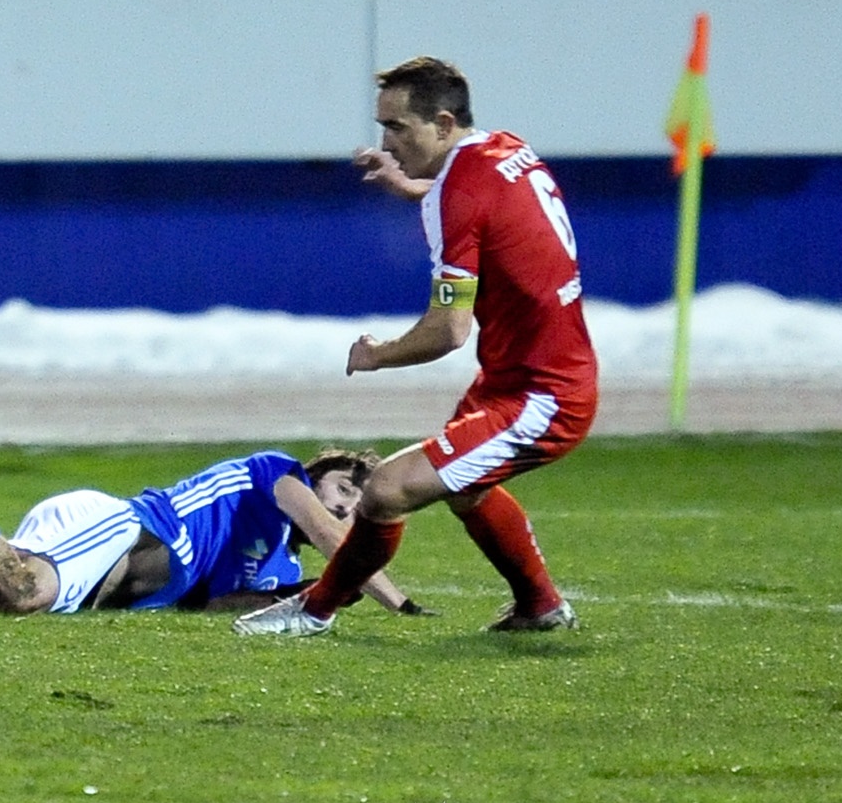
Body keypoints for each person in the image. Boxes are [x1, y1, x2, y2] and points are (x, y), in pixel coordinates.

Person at [235, 55, 597, 638]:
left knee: (386, 489)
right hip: (519, 377)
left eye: (398, 128)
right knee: (468, 490)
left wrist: (380, 354)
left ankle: (313, 612)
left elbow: (449, 331)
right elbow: (482, 206)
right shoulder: (504, 150)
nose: (386, 141)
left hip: (542, 396)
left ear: (444, 123)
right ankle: (540, 606)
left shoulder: (460, 192)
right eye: (383, 126)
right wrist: (414, 189)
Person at [0, 412, 421, 616]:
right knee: (24, 591)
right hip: (122, 530)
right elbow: (340, 539)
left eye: (360, 501)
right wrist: (396, 599)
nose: (348, 504)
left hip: (110, 584)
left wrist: (307, 596)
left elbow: (217, 607)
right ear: (319, 475)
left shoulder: (278, 562)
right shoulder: (279, 476)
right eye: (345, 487)